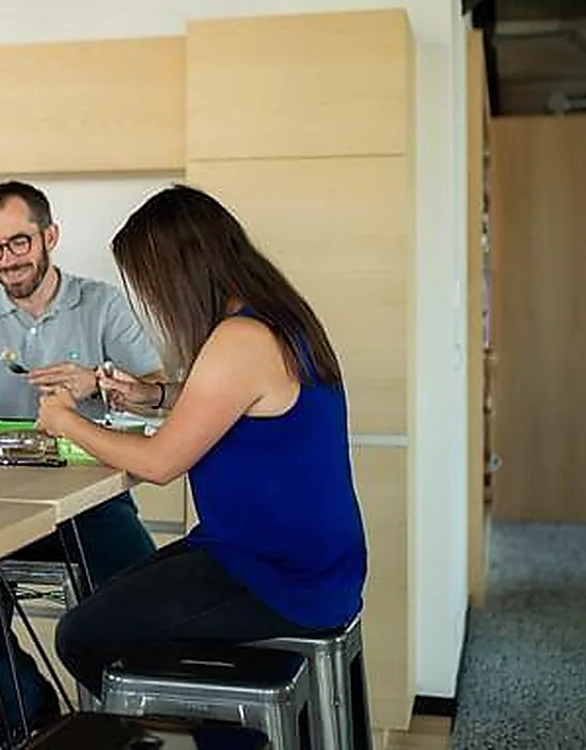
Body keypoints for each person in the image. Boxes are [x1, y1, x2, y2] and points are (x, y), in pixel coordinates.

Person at [45, 185, 367, 699]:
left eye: (150, 285)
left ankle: (205, 730)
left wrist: (66, 421)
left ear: (179, 274)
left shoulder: (239, 341)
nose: (152, 300)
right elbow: (236, 402)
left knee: (81, 636)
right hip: (304, 561)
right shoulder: (275, 319)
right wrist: (153, 395)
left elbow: (160, 462)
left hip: (276, 575)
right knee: (114, 606)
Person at [0, 181, 166, 749]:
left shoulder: (101, 304)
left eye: (19, 242)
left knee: (139, 594)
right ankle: (27, 702)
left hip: (91, 505)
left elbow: (160, 387)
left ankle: (122, 725)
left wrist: (98, 383)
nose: (6, 260)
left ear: (49, 236)